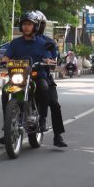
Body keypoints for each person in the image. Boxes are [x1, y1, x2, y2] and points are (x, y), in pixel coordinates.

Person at [0, 11, 66, 147]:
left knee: (47, 92)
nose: (26, 27)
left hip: (38, 76)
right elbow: (6, 57)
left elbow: (50, 59)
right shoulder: (15, 43)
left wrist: (48, 61)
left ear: (35, 26)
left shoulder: (44, 43)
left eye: (29, 24)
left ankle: (45, 121)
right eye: (24, 24)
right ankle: (8, 125)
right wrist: (1, 61)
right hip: (20, 76)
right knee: (5, 91)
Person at [34, 10, 67, 147]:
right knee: (7, 93)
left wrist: (51, 62)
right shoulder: (20, 41)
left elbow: (54, 64)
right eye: (28, 23)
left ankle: (57, 135)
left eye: (37, 24)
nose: (33, 26)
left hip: (43, 76)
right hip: (22, 77)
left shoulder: (49, 43)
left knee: (54, 103)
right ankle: (7, 130)